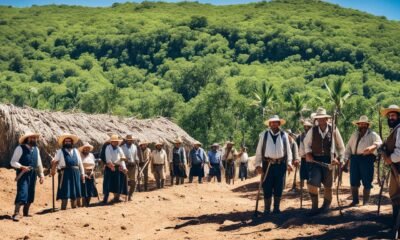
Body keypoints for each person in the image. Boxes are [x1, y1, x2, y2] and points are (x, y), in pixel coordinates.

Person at [304, 108, 345, 214]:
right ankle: (314, 207)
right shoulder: (312, 130)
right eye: (319, 118)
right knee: (312, 183)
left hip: (329, 161)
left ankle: (326, 206)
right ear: (317, 119)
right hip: (315, 160)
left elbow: (341, 147)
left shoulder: (334, 129)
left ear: (327, 119)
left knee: (328, 185)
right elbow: (306, 144)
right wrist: (308, 154)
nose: (321, 120)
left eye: (323, 118)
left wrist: (338, 158)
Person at [255, 115, 293, 214]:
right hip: (267, 164)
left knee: (279, 186)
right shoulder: (264, 135)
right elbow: (259, 151)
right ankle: (267, 209)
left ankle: (276, 208)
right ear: (269, 124)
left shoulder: (284, 135)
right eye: (272, 122)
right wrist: (258, 165)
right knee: (267, 186)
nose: (274, 124)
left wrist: (289, 163)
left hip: (281, 164)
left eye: (276, 122)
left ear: (279, 123)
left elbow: (288, 151)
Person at [344, 116, 382, 206]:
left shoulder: (372, 134)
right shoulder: (354, 134)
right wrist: (345, 159)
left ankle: (365, 202)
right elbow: (348, 147)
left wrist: (373, 147)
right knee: (353, 180)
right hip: (354, 159)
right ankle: (355, 201)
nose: (363, 125)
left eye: (365, 124)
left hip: (367, 159)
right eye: (361, 124)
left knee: (367, 180)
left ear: (367, 125)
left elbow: (380, 142)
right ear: (358, 125)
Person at [10, 132, 44, 221]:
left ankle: (25, 212)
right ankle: (16, 213)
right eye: (31, 138)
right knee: (22, 191)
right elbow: (13, 162)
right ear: (27, 139)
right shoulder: (20, 148)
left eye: (34, 138)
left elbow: (39, 163)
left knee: (30, 193)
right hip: (23, 173)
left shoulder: (36, 149)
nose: (33, 139)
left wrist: (41, 175)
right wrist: (22, 166)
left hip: (33, 173)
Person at [51, 133, 85, 210]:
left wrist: (82, 173)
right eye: (66, 141)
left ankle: (74, 207)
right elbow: (55, 162)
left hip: (76, 173)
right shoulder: (60, 151)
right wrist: (53, 170)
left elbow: (80, 163)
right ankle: (63, 207)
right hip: (64, 173)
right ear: (64, 142)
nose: (68, 143)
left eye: (69, 141)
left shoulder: (76, 151)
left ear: (72, 142)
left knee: (75, 190)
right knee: (65, 190)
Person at [380, 105, 400, 229]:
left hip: (398, 166)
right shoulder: (394, 130)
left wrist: (389, 159)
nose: (391, 118)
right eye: (390, 116)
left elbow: (399, 153)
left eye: (393, 115)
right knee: (395, 194)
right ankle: (395, 223)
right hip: (395, 168)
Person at [103, 134, 128, 204]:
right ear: (111, 142)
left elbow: (122, 158)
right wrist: (111, 165)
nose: (116, 143)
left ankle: (117, 198)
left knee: (119, 183)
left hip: (119, 167)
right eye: (114, 141)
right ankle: (106, 199)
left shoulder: (119, 148)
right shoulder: (108, 148)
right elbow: (108, 158)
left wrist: (124, 168)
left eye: (117, 141)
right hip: (111, 167)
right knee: (110, 183)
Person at [79, 142, 99, 207]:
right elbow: (79, 165)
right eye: (85, 148)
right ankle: (83, 204)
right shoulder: (80, 155)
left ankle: (87, 204)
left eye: (88, 148)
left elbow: (93, 165)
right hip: (83, 174)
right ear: (83, 149)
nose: (86, 149)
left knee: (90, 189)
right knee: (84, 189)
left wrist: (92, 172)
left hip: (91, 174)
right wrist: (83, 173)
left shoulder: (91, 155)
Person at [295, 120, 313, 191]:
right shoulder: (301, 136)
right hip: (303, 157)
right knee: (303, 173)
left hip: (311, 158)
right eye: (305, 126)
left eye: (307, 126)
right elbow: (298, 146)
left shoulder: (313, 135)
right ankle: (301, 188)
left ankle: (310, 187)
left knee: (310, 174)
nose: (306, 128)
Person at [121, 134, 139, 201]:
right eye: (128, 140)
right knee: (124, 181)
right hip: (125, 165)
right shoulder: (122, 147)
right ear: (126, 140)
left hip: (133, 165)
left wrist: (137, 163)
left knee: (133, 181)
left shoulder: (134, 147)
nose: (130, 141)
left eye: (131, 140)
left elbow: (136, 156)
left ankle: (130, 195)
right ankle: (124, 195)